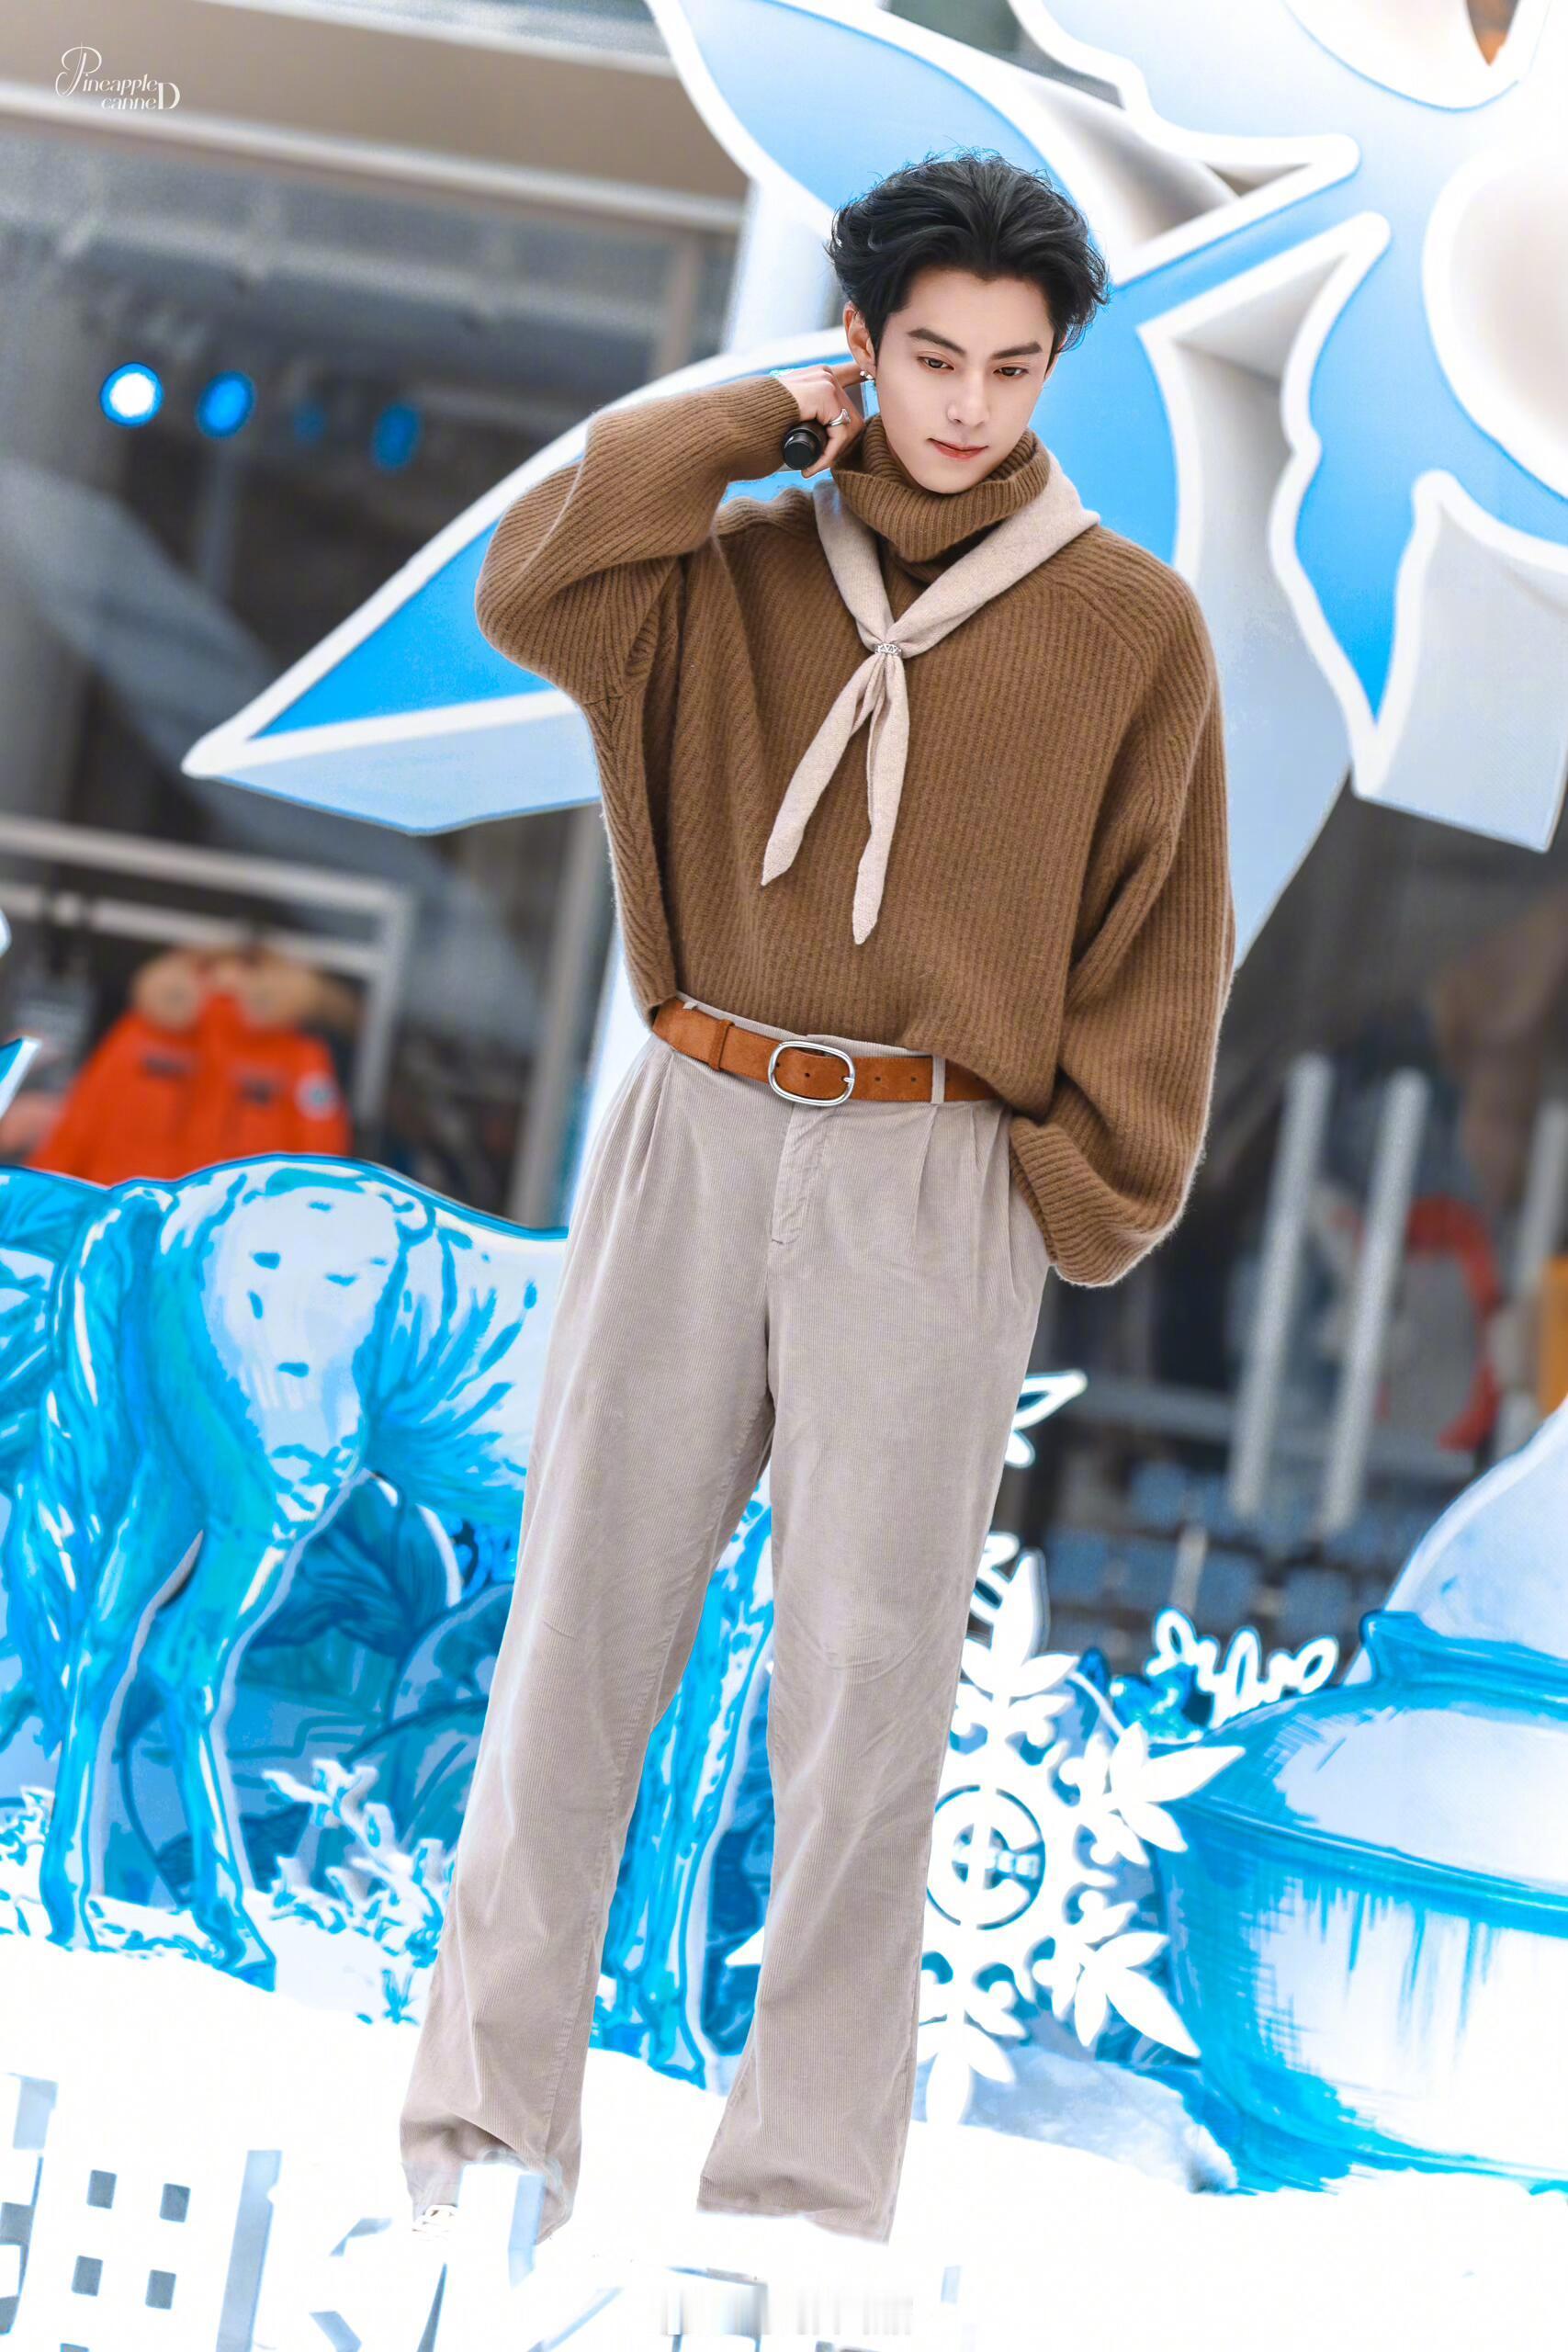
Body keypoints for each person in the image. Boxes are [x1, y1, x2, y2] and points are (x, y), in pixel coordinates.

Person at [400, 149, 1235, 2255]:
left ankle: (793, 2196)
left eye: (1013, 368)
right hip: (696, 1118)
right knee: (575, 1643)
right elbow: (528, 583)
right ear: (860, 344)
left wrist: (1055, 1190)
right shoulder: (727, 565)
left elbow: (1160, 940)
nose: (968, 405)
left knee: (865, 1704)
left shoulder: (1127, 627)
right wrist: (754, 415)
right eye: (929, 357)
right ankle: (478, 2143)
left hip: (930, 1170)